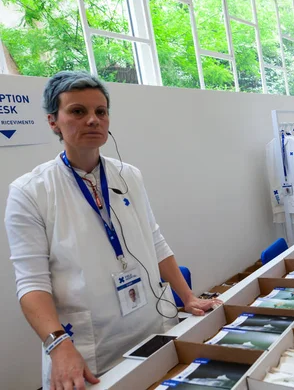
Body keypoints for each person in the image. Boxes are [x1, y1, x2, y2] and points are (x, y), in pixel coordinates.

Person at [4, 71, 223, 390]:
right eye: (78, 111)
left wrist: (188, 297)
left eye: (100, 111)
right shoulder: (30, 192)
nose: (93, 120)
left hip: (152, 326)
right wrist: (58, 346)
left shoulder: (128, 176)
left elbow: (155, 240)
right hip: (90, 347)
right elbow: (31, 284)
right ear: (53, 121)